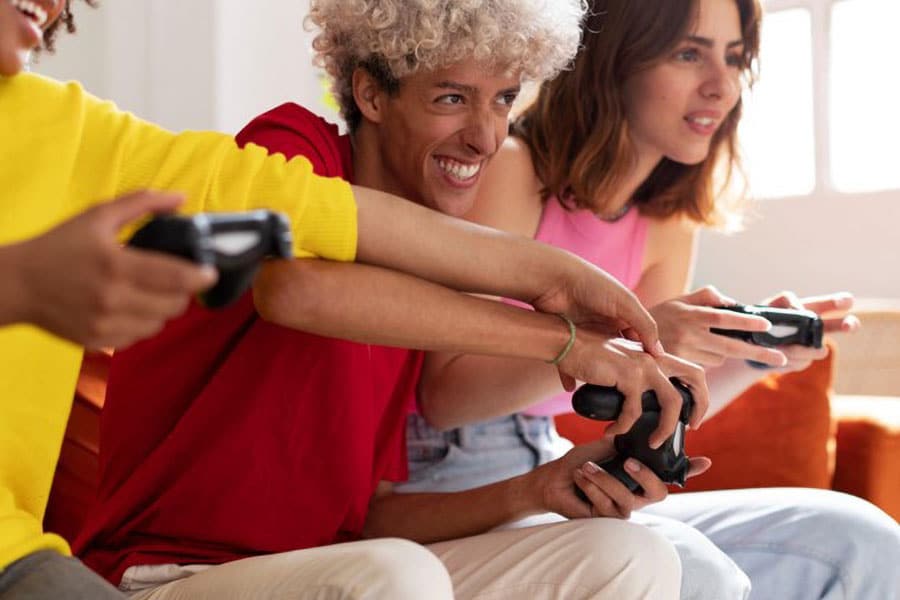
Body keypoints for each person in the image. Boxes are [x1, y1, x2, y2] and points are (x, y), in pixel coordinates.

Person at [0, 0, 688, 598]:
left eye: (505, 99)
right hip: (167, 574)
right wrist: (563, 332)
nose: (485, 135)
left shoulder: (425, 280)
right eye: (452, 97)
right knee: (392, 578)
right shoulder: (292, 147)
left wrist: (534, 490)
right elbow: (294, 286)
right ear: (371, 94)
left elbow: (370, 513)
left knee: (627, 557)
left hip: (327, 570)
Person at [396, 0, 900, 599]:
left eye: (734, 58)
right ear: (617, 60)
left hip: (552, 460)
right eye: (689, 54)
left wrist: (748, 356)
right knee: (694, 570)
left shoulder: (666, 223)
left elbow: (650, 404)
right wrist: (615, 347)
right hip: (446, 477)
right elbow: (445, 396)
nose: (721, 86)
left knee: (856, 538)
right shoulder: (514, 168)